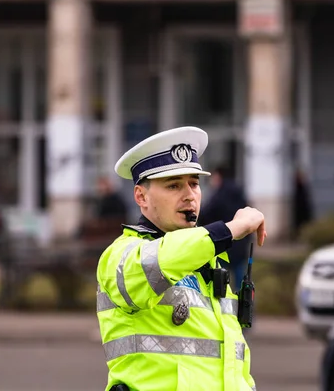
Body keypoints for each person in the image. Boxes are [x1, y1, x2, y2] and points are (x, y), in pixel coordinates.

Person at [96, 126, 266, 391]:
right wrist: (229, 230)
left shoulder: (208, 262)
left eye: (194, 184)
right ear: (141, 196)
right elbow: (164, 258)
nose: (189, 195)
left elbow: (234, 364)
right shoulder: (122, 254)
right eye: (174, 185)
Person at [199, 166, 251, 291]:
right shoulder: (239, 192)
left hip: (223, 242)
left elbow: (206, 214)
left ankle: (223, 302)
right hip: (240, 243)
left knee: (220, 278)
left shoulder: (219, 194)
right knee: (240, 277)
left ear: (218, 176)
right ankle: (243, 303)